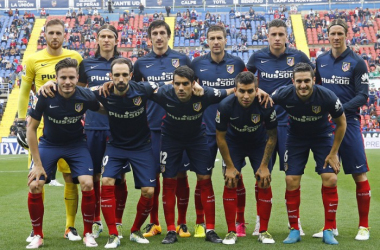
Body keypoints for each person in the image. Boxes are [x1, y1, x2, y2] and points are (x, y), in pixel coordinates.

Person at [17, 19, 83, 244]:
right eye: (51, 32)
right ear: (44, 35)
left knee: (70, 178)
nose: (55, 36)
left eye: (59, 33)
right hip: (42, 128)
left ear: (65, 35)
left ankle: (70, 227)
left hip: (70, 126)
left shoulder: (75, 58)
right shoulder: (33, 59)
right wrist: (19, 119)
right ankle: (37, 231)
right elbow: (25, 91)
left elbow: (82, 89)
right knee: (38, 177)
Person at [150, 66, 232, 244]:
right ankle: (171, 230)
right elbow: (137, 88)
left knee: (205, 179)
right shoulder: (163, 92)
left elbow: (233, 89)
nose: (180, 88)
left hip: (197, 139)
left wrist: (259, 90)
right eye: (177, 84)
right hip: (170, 140)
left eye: (185, 84)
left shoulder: (206, 94)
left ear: (193, 84)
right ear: (172, 83)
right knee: (169, 181)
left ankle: (210, 229)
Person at [26, 58, 102, 249]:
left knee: (87, 183)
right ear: (56, 78)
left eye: (71, 77)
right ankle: (37, 234)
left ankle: (87, 233)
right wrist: (37, 164)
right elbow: (31, 129)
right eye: (63, 78)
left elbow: (104, 110)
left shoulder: (86, 96)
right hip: (49, 144)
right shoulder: (46, 95)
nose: (67, 82)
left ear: (77, 78)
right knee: (35, 184)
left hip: (76, 145)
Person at [246, 19, 314, 235]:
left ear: (287, 36)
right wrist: (256, 90)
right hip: (263, 127)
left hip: (289, 126)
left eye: (280, 34)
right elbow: (245, 80)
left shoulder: (299, 57)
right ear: (267, 36)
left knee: (292, 176)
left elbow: (312, 83)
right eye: (273, 34)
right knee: (261, 175)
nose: (277, 38)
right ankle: (260, 221)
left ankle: (295, 222)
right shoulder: (257, 57)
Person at [271, 62, 346, 245]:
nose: (303, 85)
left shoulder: (327, 96)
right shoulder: (283, 94)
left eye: (307, 81)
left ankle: (328, 229)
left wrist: (334, 153)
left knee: (331, 179)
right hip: (296, 138)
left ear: (313, 80)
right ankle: (294, 229)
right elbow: (265, 101)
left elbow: (342, 123)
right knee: (291, 180)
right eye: (299, 81)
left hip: (323, 137)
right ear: (293, 81)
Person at [133, 20, 192, 239]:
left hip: (178, 126)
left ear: (169, 36)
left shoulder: (182, 60)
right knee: (154, 175)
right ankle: (154, 223)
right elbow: (135, 93)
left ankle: (182, 222)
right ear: (150, 38)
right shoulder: (140, 64)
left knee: (180, 174)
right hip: (151, 127)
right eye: (155, 33)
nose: (159, 37)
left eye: (162, 33)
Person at [314, 18, 371, 241]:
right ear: (327, 36)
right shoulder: (320, 61)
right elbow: (316, 88)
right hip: (325, 125)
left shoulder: (357, 62)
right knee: (327, 175)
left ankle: (364, 226)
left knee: (359, 174)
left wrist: (339, 108)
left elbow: (363, 95)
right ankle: (330, 227)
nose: (336, 37)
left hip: (350, 123)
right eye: (332, 34)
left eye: (340, 33)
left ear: (346, 34)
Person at [190, 25, 247, 238]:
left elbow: (244, 91)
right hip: (204, 130)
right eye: (212, 38)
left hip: (230, 131)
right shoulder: (197, 64)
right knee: (203, 177)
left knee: (233, 176)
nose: (216, 41)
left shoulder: (237, 63)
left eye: (219, 38)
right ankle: (200, 222)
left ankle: (239, 222)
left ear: (225, 40)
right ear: (206, 40)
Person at [216, 71, 278, 245]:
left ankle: (263, 231)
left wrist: (264, 165)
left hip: (258, 143)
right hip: (234, 143)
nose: (246, 96)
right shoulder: (225, 105)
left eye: (250, 91)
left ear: (257, 90)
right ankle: (231, 231)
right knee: (230, 181)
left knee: (264, 180)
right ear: (235, 90)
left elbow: (272, 135)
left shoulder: (265, 104)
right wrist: (229, 166)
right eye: (242, 91)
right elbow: (220, 137)